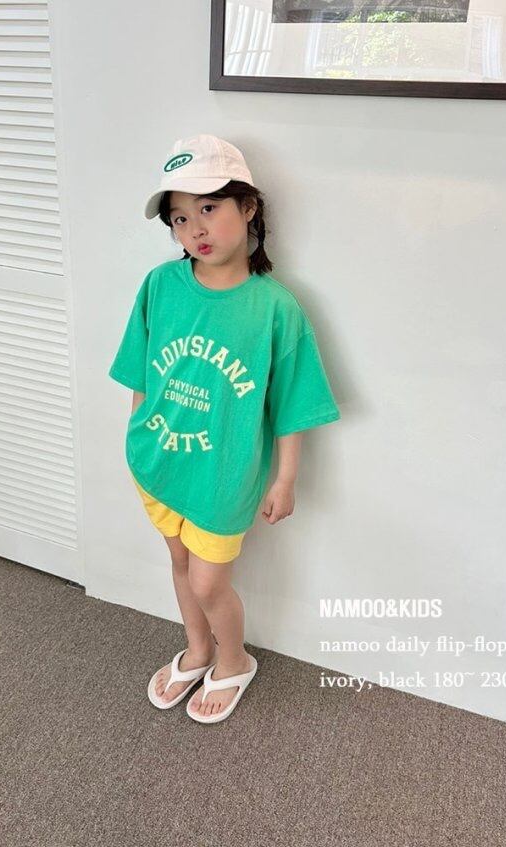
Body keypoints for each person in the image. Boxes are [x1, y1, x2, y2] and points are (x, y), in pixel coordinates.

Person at [108, 133, 340, 724]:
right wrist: (137, 433)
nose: (196, 229)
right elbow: (140, 370)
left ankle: (234, 661)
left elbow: (293, 404)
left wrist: (285, 478)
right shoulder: (161, 286)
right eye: (180, 218)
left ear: (249, 207)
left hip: (222, 477)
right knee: (180, 565)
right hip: (159, 461)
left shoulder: (275, 308)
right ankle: (198, 650)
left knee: (210, 582)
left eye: (209, 207)